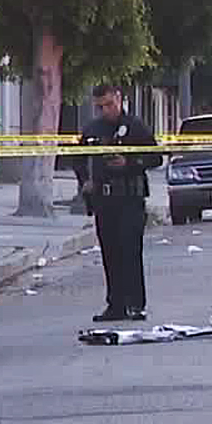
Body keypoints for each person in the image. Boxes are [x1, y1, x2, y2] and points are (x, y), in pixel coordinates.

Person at [71, 84, 162, 323]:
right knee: (110, 253)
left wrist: (129, 163)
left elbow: (156, 157)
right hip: (104, 200)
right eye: (100, 106)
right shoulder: (92, 129)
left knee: (130, 252)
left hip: (130, 199)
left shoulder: (135, 126)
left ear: (119, 99)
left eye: (109, 104)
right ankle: (116, 304)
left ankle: (136, 304)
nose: (105, 110)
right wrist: (85, 182)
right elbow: (78, 160)